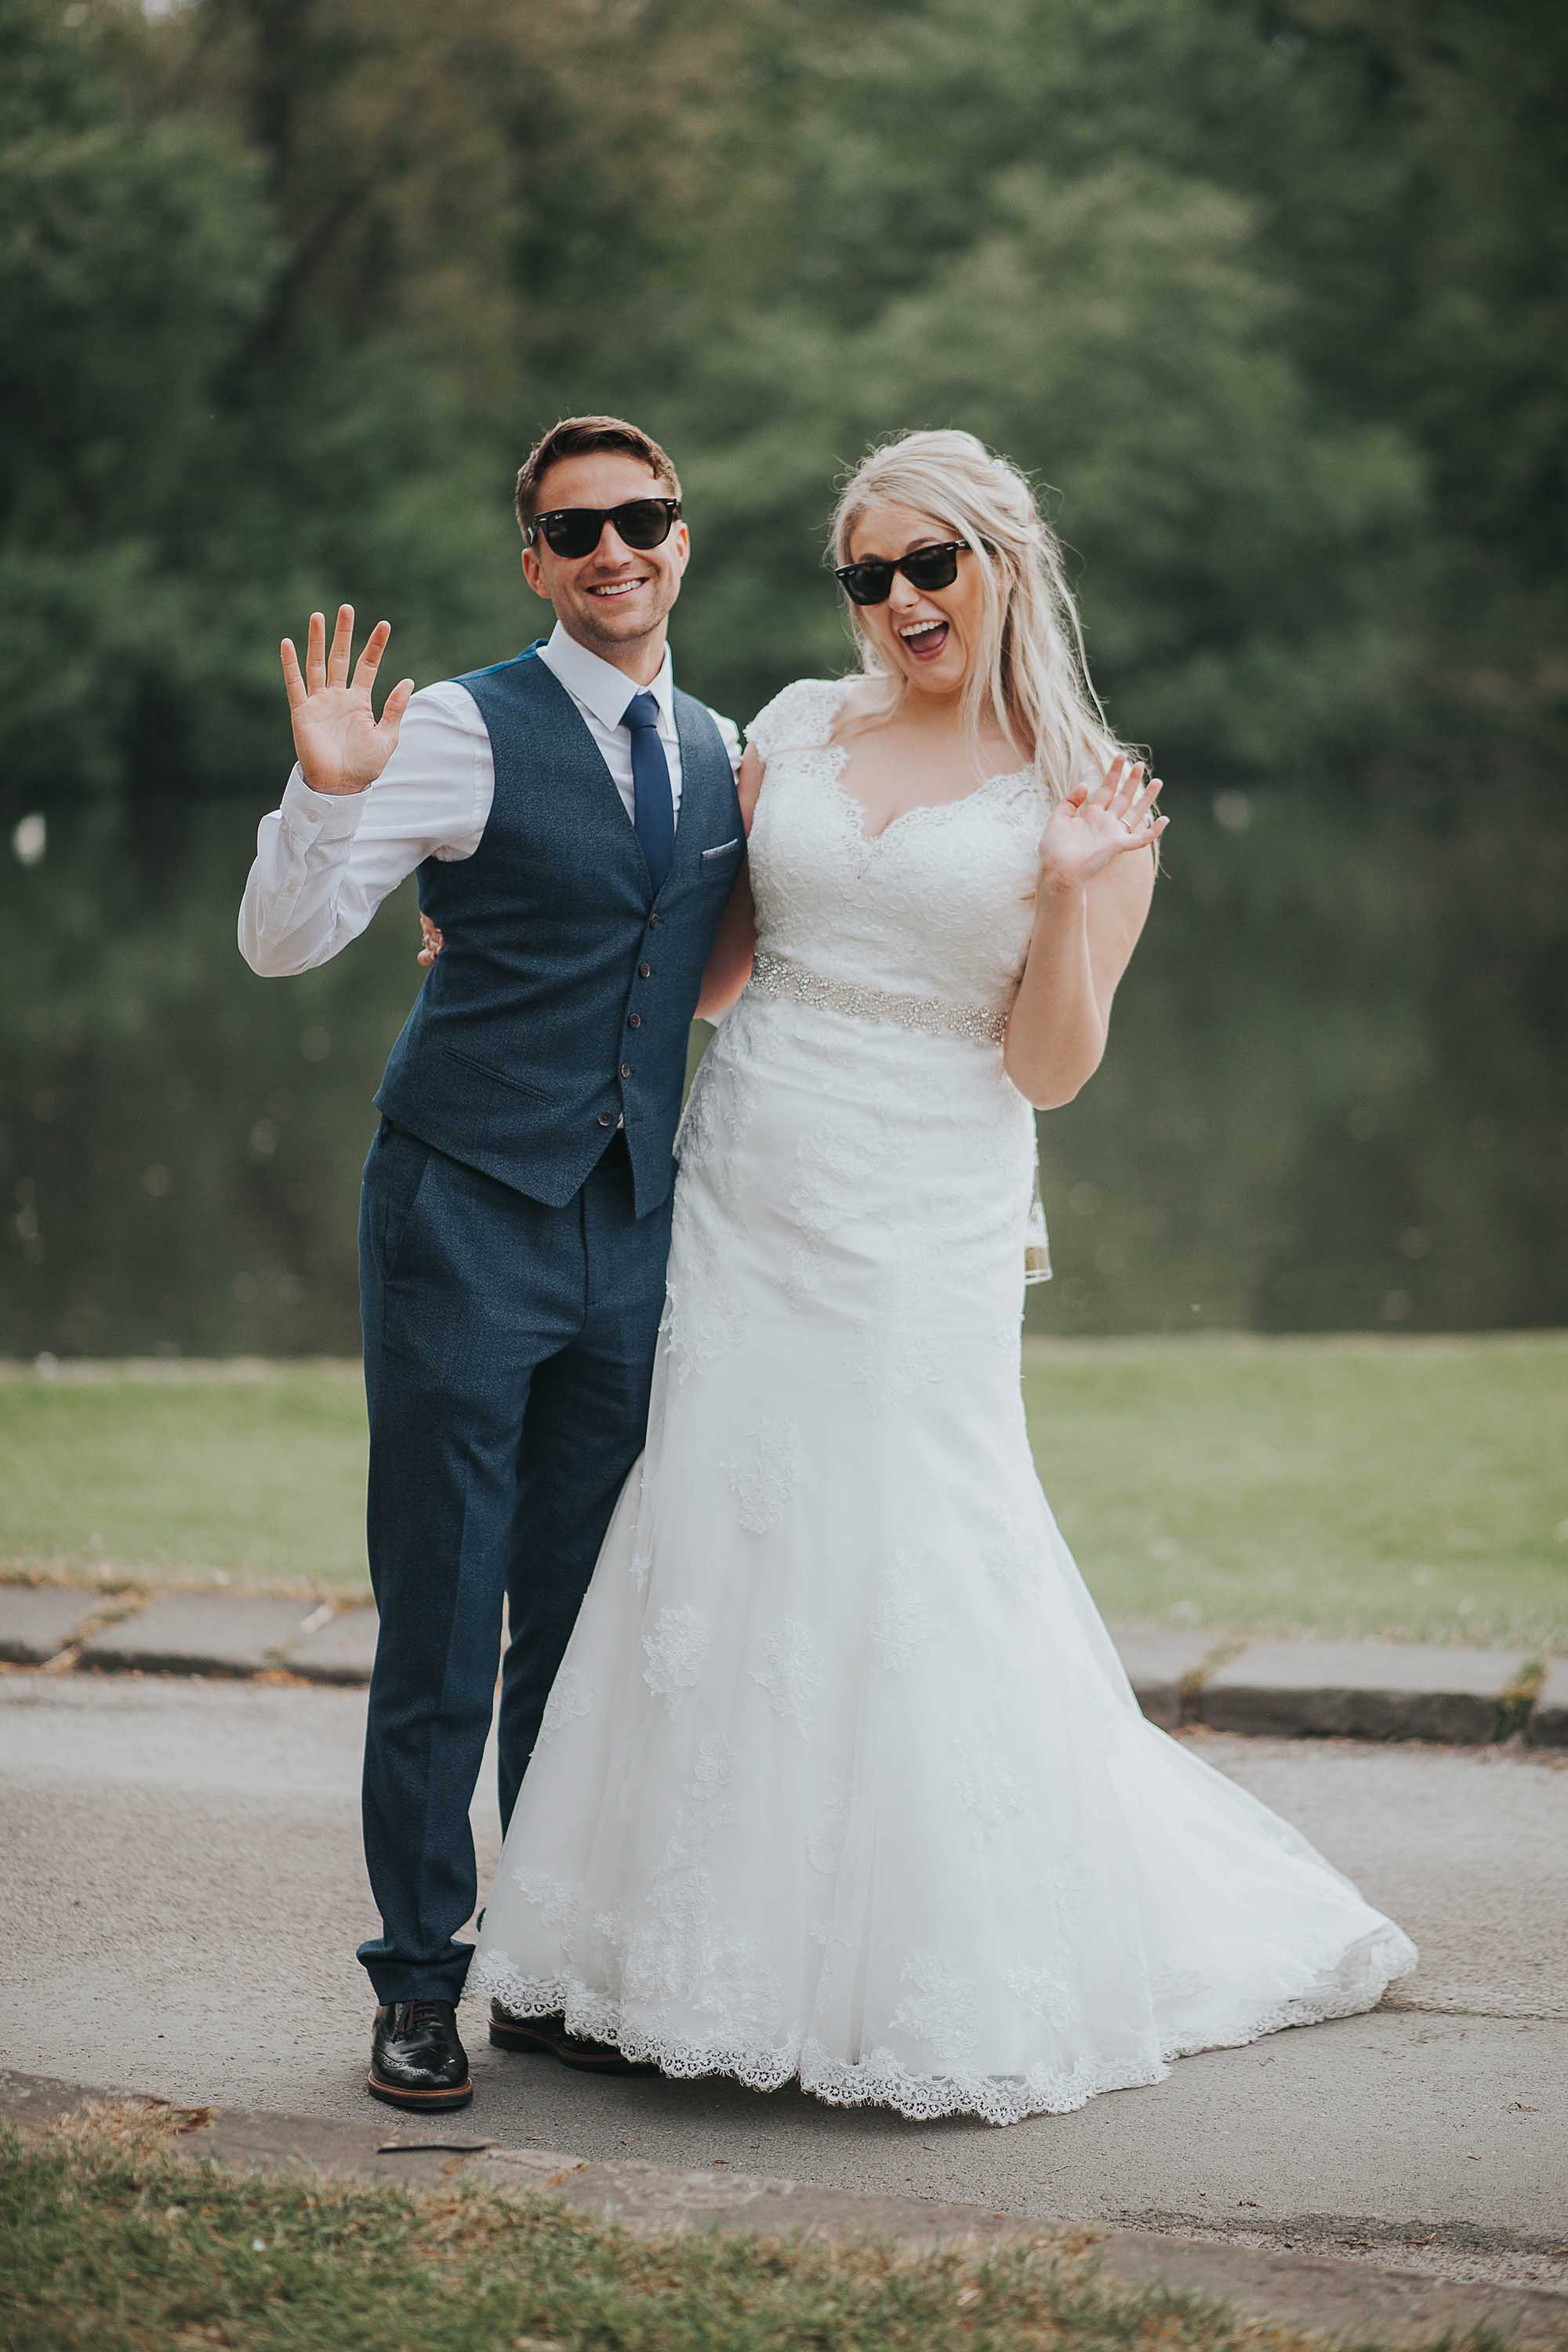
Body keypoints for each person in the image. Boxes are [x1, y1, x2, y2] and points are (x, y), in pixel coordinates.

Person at [459, 427, 1417, 2124]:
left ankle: (911, 1969)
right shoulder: (795, 729)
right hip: (751, 1177)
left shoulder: (1089, 791)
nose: (899, 600)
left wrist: (1063, 893)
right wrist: (519, 924)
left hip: (926, 1211)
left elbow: (1049, 1070)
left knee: (906, 1538)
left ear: (1001, 563)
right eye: (868, 574)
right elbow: (705, 964)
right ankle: (683, 1968)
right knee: (716, 1525)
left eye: (930, 565)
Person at [238, 416, 745, 2112]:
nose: (617, 550)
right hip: (459, 1211)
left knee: (581, 1625)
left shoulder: (718, 744)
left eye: (643, 518)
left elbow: (709, 973)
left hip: (627, 1229)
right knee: (445, 1614)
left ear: (683, 539)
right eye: (577, 528)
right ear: (534, 558)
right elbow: (287, 941)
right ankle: (417, 1980)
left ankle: (540, 1956)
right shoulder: (453, 727)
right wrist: (324, 791)